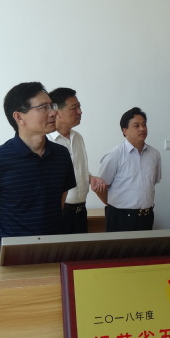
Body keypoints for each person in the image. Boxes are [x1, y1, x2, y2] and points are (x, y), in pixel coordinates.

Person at [0, 82, 76, 266]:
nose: (53, 113)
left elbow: (59, 203)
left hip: (52, 255)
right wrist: (5, 247)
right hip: (11, 259)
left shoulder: (61, 155)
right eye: (43, 107)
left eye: (52, 106)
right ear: (19, 117)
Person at [47, 88, 106, 234]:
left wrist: (90, 178)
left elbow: (78, 168)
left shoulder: (78, 137)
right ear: (57, 112)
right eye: (74, 108)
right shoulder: (46, 142)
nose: (80, 112)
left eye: (79, 107)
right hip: (59, 212)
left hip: (80, 211)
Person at [96, 107, 162, 232]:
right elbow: (100, 187)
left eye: (144, 124)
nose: (142, 129)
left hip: (146, 217)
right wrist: (114, 205)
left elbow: (151, 183)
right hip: (120, 218)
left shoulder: (155, 154)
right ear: (124, 131)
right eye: (136, 125)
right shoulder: (115, 155)